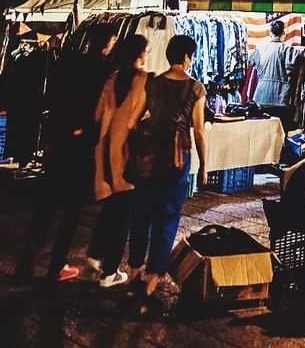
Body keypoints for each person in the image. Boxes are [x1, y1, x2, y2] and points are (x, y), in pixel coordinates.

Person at [14, 23, 119, 283]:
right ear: (108, 43)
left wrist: (51, 136)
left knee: (47, 206)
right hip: (81, 147)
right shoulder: (104, 71)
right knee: (71, 210)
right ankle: (56, 265)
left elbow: (53, 100)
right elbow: (98, 114)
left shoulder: (71, 63)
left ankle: (27, 262)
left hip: (59, 140)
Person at [126, 34, 206, 317]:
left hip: (149, 159)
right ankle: (149, 289)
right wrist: (204, 165)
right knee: (166, 220)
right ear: (186, 57)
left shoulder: (153, 82)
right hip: (176, 160)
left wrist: (148, 137)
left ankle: (133, 276)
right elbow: (198, 130)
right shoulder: (195, 88)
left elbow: (132, 121)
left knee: (141, 216)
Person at [83, 33, 149, 288]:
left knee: (112, 205)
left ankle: (95, 253)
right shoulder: (142, 81)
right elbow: (141, 118)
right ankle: (110, 272)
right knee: (124, 216)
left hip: (106, 150)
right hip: (127, 154)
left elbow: (99, 115)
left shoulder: (112, 79)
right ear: (140, 53)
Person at [249, 19, 305, 127]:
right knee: (279, 133)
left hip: (261, 96)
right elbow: (302, 55)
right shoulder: (287, 49)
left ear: (270, 32)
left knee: (263, 132)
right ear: (283, 33)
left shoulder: (260, 49)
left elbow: (252, 61)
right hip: (279, 97)